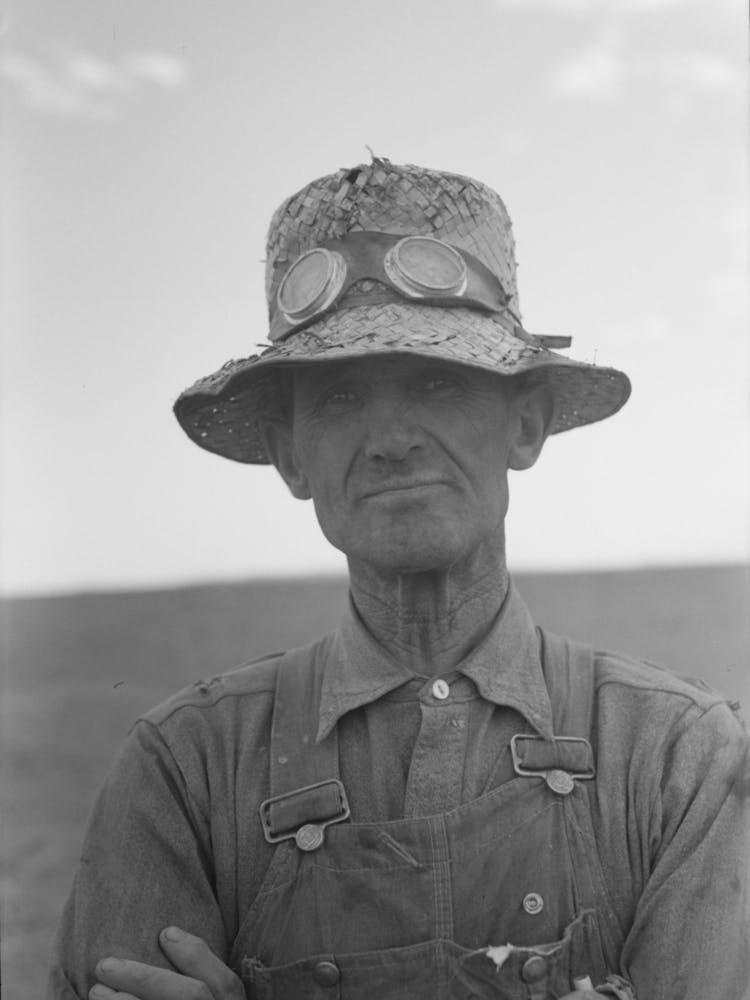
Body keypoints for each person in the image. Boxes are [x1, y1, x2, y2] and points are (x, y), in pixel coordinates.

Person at [49, 159, 748, 1000]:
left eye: (437, 383)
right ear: (290, 456)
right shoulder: (185, 771)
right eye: (341, 398)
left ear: (524, 426)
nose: (391, 439)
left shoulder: (679, 758)